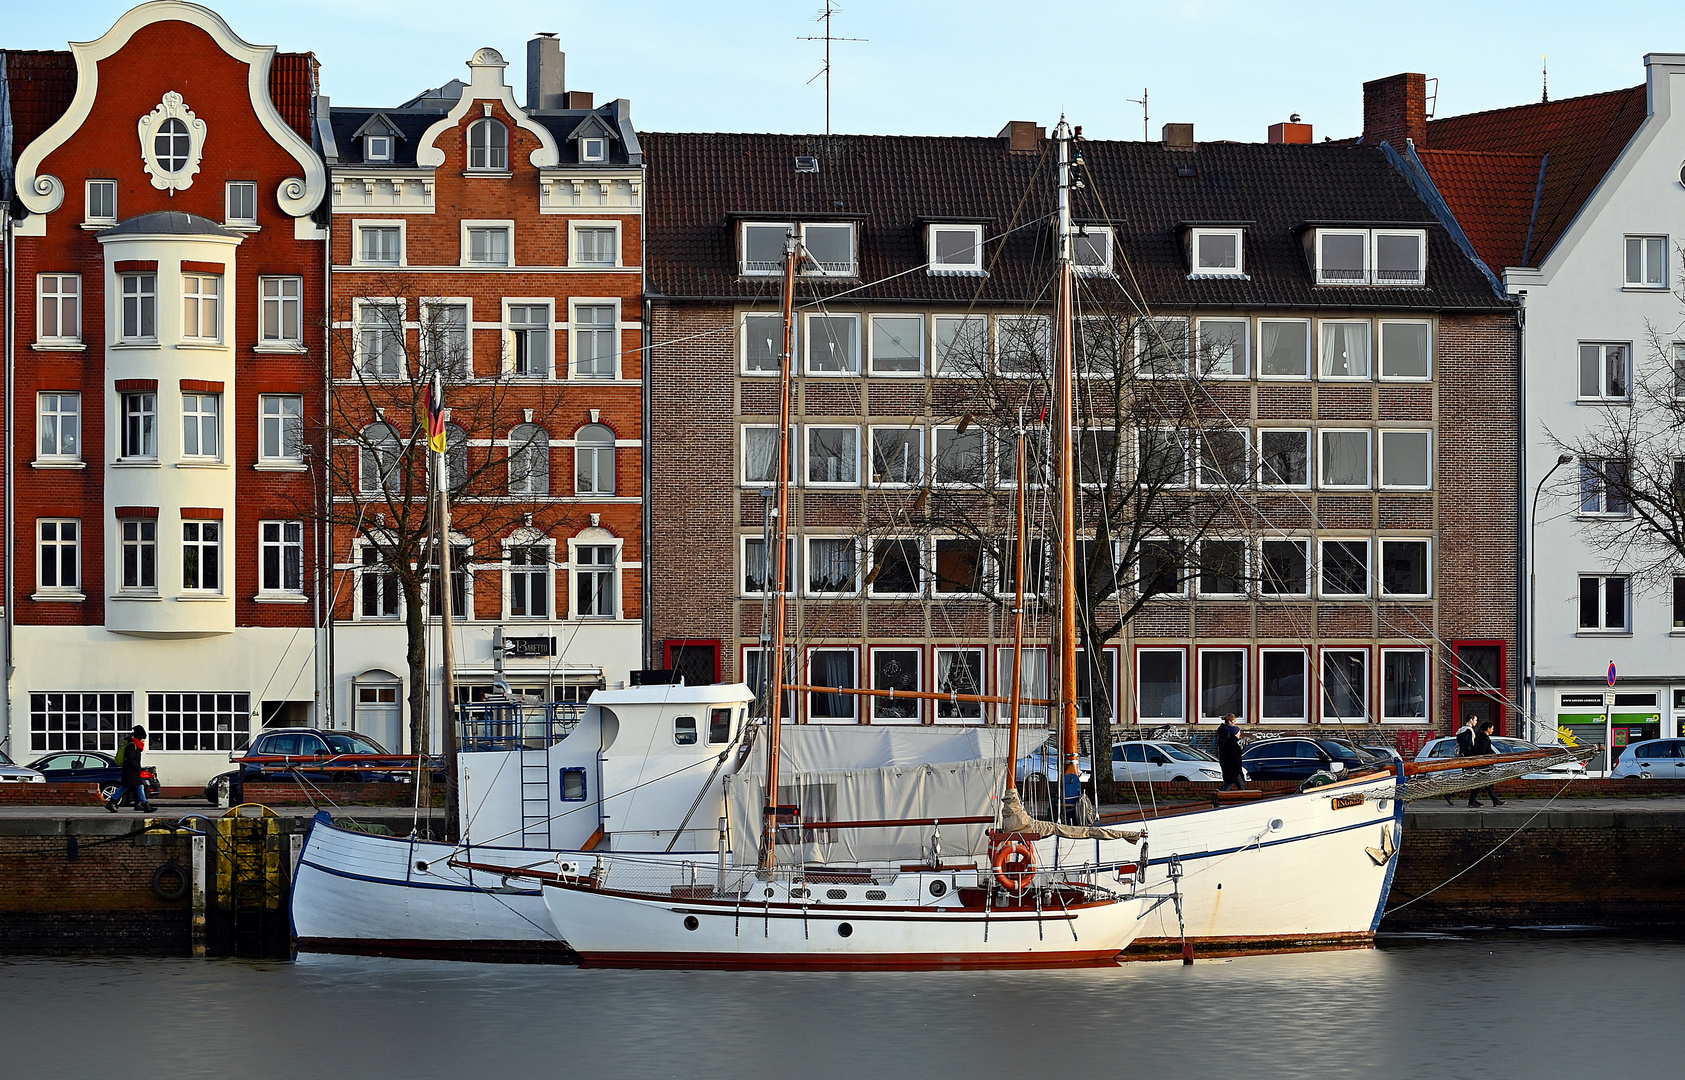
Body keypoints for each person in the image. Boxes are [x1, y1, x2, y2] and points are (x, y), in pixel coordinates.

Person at [105, 725, 152, 813]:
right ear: (139, 737)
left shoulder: (134, 745)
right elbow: (130, 759)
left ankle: (112, 802)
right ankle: (145, 804)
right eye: (143, 738)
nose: (144, 740)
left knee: (127, 787)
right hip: (131, 771)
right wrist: (137, 768)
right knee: (139, 786)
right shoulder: (132, 745)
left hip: (131, 771)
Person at [1466, 719, 1505, 808]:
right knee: (1482, 783)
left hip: (1483, 764)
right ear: (1488, 728)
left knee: (1486, 783)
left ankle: (1493, 801)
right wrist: (1490, 757)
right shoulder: (1484, 738)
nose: (1493, 730)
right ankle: (1473, 801)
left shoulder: (1482, 737)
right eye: (1492, 728)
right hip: (1483, 765)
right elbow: (1482, 751)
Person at [1445, 714, 1479, 805]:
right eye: (1475, 720)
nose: (1476, 722)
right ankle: (1451, 793)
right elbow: (1467, 745)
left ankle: (1452, 793)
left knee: (1467, 777)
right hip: (1467, 757)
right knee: (1469, 778)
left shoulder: (1461, 730)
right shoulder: (1468, 731)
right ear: (1471, 720)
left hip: (1463, 756)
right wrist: (1471, 754)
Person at [1216, 712, 1245, 791]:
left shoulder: (1223, 733)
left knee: (1235, 783)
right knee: (1231, 783)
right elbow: (1231, 754)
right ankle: (1220, 795)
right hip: (1232, 766)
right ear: (1230, 721)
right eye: (1234, 721)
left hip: (1230, 765)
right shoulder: (1229, 737)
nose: (1235, 723)